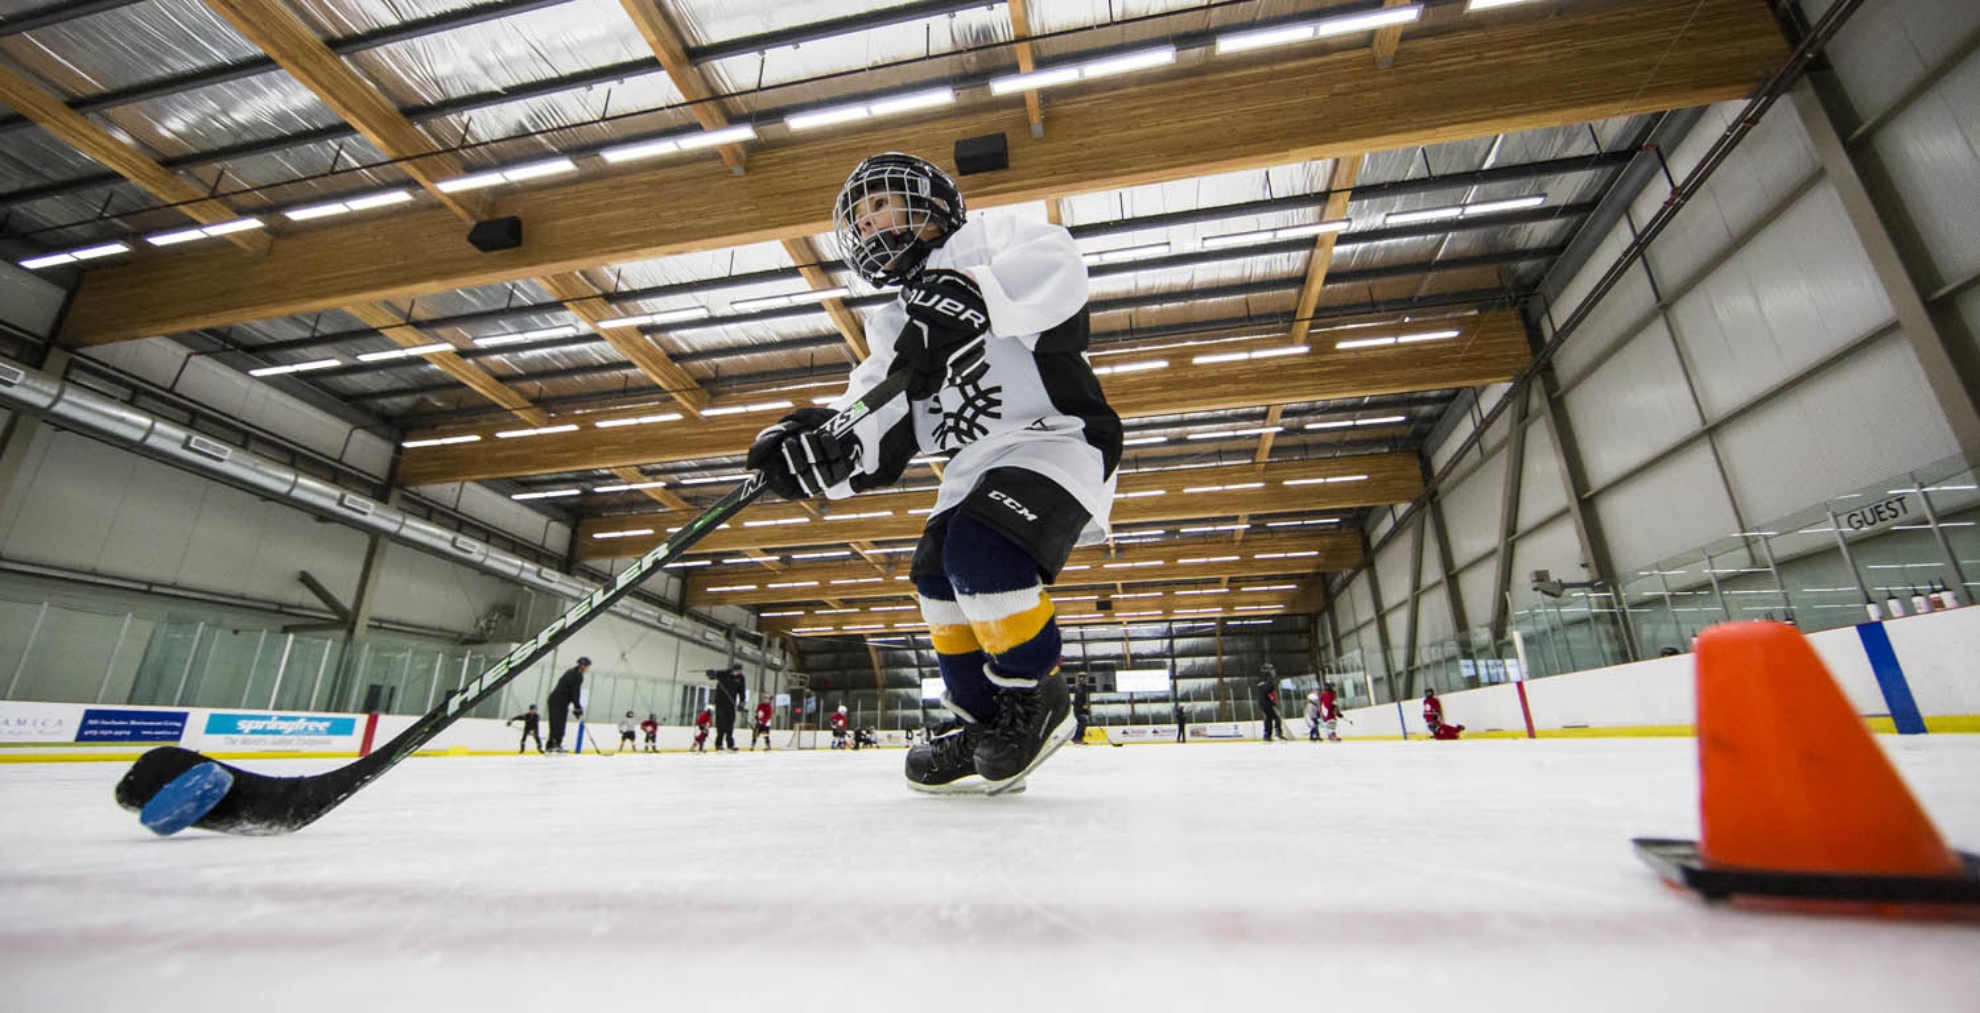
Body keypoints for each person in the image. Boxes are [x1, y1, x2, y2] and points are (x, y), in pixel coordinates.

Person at [747, 153, 1119, 795]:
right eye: (858, 220)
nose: (868, 224)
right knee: (934, 574)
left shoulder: (989, 239)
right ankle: (984, 723)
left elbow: (1059, 269)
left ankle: (1039, 697)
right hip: (973, 470)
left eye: (879, 205)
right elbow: (871, 417)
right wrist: (816, 452)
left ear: (930, 202)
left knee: (981, 550)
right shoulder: (890, 323)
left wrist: (976, 293)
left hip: (1056, 440)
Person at [544, 656, 589, 753]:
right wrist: (577, 707)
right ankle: (555, 745)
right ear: (583, 666)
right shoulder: (578, 675)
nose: (588, 669)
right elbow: (575, 692)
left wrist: (576, 707)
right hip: (559, 702)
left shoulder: (571, 672)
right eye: (587, 666)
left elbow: (571, 691)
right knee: (558, 724)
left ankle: (551, 745)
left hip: (556, 700)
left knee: (555, 723)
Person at [707, 663, 746, 753]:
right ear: (732, 669)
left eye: (739, 671)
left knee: (730, 725)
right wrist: (710, 673)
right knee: (721, 725)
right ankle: (719, 744)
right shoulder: (723, 673)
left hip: (731, 704)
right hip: (720, 703)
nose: (737, 673)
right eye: (736, 671)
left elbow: (742, 691)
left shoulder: (741, 678)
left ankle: (730, 745)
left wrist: (742, 702)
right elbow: (713, 676)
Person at [1257, 664, 1284, 742]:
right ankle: (1277, 732)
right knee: (1276, 717)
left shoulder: (1262, 682)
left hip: (1263, 703)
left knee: (1268, 719)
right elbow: (1269, 688)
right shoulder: (1267, 681)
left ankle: (1267, 735)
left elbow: (1268, 689)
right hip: (1267, 703)